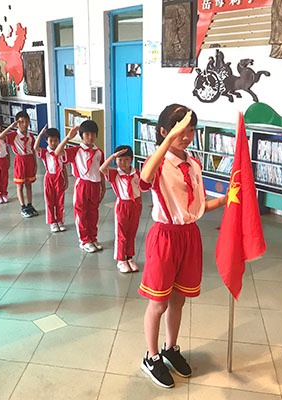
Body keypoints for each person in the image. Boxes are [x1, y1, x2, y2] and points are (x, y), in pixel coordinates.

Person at [137, 104, 226, 389]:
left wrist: (226, 200)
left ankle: (170, 348)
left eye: (191, 130)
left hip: (190, 236)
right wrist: (167, 141)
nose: (187, 137)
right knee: (159, 302)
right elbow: (144, 179)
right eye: (179, 131)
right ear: (164, 131)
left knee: (178, 299)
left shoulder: (194, 164)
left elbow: (196, 208)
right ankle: (151, 357)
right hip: (165, 237)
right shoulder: (159, 163)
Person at [55, 120, 105, 252]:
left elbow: (101, 170)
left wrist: (103, 186)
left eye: (93, 134)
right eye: (87, 134)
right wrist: (68, 137)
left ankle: (93, 237)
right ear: (81, 135)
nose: (90, 137)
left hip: (95, 185)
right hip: (82, 185)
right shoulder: (76, 150)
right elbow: (57, 152)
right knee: (81, 213)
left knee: (93, 213)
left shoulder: (99, 152)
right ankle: (84, 240)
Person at [100, 145, 142, 273]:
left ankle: (129, 257)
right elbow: (102, 169)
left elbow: (140, 188)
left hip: (135, 205)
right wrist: (113, 156)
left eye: (126, 159)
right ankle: (121, 259)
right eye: (120, 160)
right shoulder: (115, 174)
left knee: (132, 232)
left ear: (131, 160)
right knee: (121, 234)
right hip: (122, 205)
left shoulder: (136, 173)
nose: (123, 163)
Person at [0, 111, 38, 217]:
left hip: (29, 160)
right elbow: (1, 137)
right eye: (21, 122)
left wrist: (35, 164)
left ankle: (29, 204)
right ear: (17, 123)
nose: (24, 124)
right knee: (20, 185)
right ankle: (23, 206)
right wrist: (11, 127)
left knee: (29, 184)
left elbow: (33, 150)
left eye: (26, 121)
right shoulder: (13, 135)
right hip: (20, 160)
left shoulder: (31, 136)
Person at [34, 126, 68, 232]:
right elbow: (35, 148)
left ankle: (60, 220)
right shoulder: (45, 152)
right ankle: (52, 222)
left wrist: (66, 180)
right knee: (50, 201)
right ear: (46, 141)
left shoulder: (61, 152)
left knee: (60, 201)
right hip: (49, 178)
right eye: (51, 141)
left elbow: (64, 167)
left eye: (56, 140)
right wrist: (40, 135)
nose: (53, 143)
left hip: (60, 177)